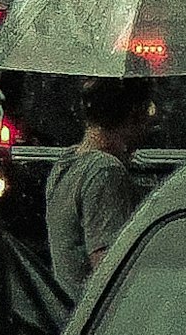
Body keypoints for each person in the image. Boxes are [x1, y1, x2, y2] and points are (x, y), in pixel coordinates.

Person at [41, 81, 157, 319]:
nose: (152, 121)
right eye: (149, 111)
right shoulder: (105, 171)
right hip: (96, 320)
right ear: (134, 115)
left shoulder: (66, 164)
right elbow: (108, 266)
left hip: (68, 317)